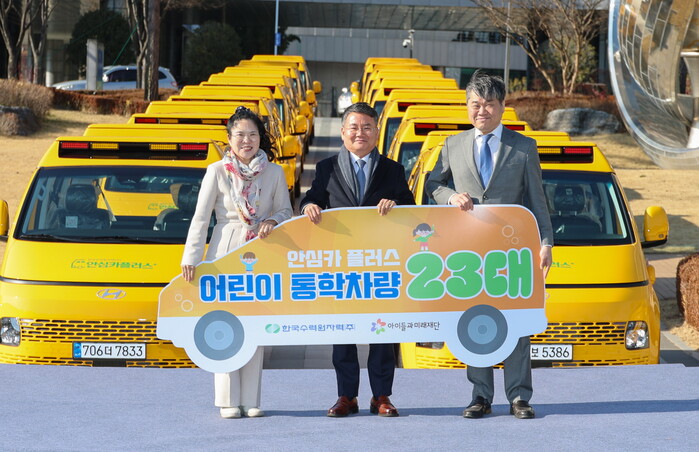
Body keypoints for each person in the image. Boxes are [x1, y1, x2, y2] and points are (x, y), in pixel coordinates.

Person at [425, 70, 553, 420]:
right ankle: (480, 395)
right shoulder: (452, 145)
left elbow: (537, 199)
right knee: (473, 320)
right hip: (468, 254)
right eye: (475, 104)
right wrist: (451, 197)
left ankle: (519, 396)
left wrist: (545, 241)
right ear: (468, 107)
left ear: (502, 106)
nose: (482, 111)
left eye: (489, 104)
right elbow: (433, 184)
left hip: (512, 253)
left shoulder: (523, 147)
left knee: (516, 322)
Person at [300, 102, 415, 417]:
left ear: (377, 132)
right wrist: (309, 206)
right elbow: (312, 198)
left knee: (383, 331)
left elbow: (410, 205)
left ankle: (381, 396)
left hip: (382, 264)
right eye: (353, 127)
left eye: (367, 127)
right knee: (343, 331)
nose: (360, 133)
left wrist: (397, 205)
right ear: (342, 132)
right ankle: (346, 396)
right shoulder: (326, 168)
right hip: (343, 264)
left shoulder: (393, 170)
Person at [181, 106, 293, 419]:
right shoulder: (217, 171)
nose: (247, 140)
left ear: (261, 138)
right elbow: (201, 218)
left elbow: (286, 211)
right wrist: (191, 258)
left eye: (252, 134)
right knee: (224, 325)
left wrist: (271, 220)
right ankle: (228, 399)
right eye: (240, 135)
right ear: (229, 138)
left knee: (255, 325)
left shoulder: (275, 173)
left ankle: (250, 399)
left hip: (261, 253)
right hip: (224, 254)